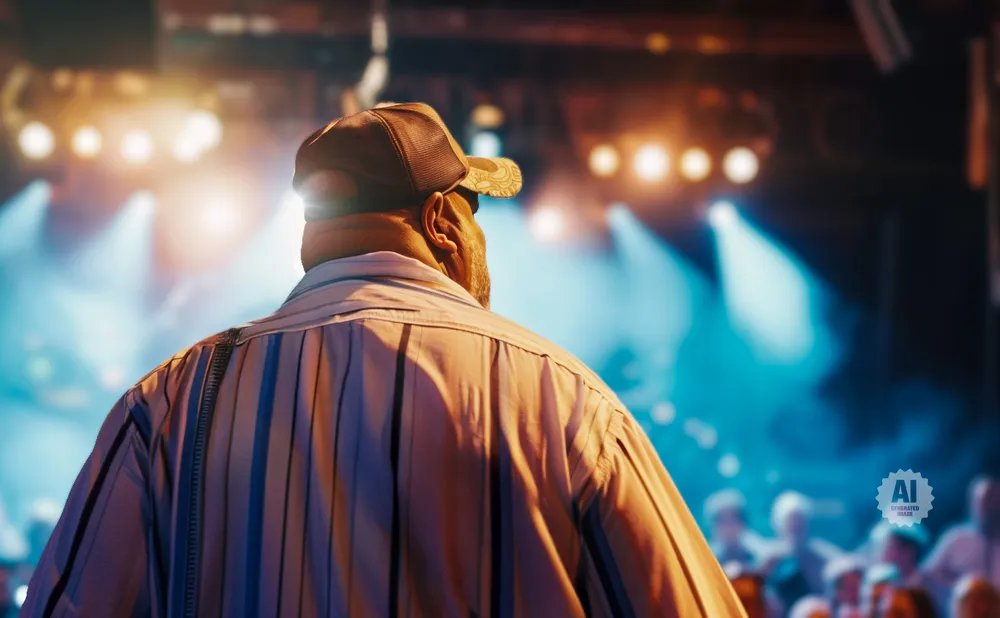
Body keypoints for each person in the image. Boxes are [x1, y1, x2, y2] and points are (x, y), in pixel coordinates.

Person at [20, 102, 745, 617]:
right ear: (440, 222)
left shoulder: (172, 401)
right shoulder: (562, 399)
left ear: (313, 234)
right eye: (472, 214)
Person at [763, 491, 842, 608]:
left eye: (799, 522)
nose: (796, 528)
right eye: (791, 523)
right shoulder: (769, 560)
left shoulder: (823, 557)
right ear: (780, 525)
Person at [923, 476, 1000, 591]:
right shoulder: (957, 538)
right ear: (973, 504)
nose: (989, 508)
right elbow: (927, 574)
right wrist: (959, 585)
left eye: (994, 502)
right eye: (985, 501)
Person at [706, 488, 766, 568]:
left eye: (734, 519)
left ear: (743, 522)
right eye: (723, 521)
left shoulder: (757, 550)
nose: (729, 526)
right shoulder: (706, 559)